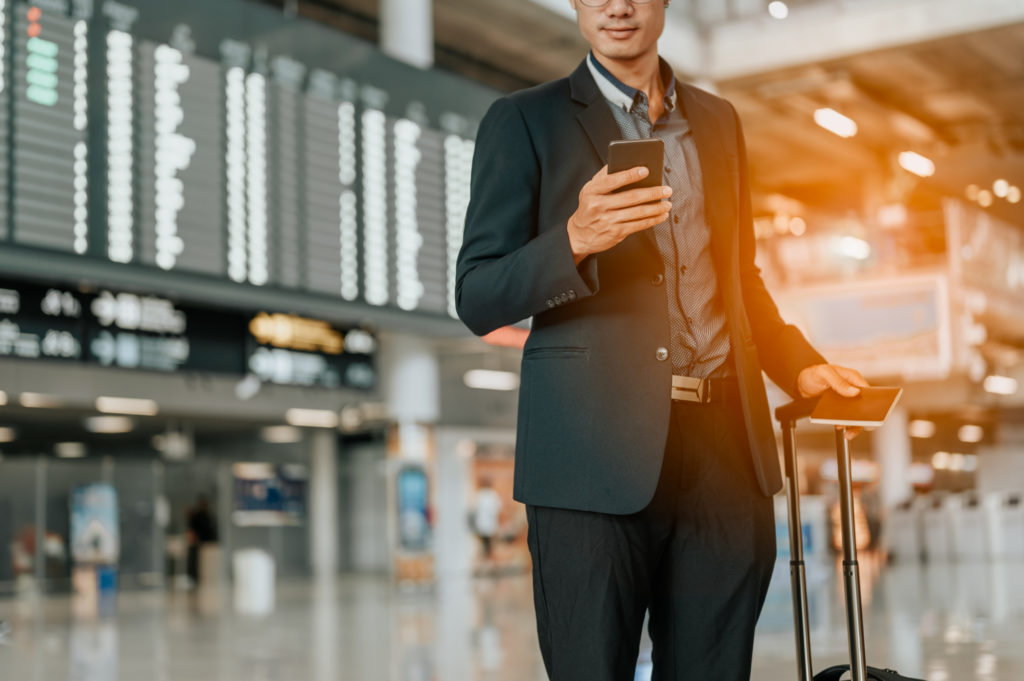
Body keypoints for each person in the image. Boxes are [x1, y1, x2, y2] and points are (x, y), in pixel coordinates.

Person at [454, 1, 869, 679]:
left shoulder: (716, 121)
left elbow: (739, 279)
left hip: (723, 458)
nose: (618, 6)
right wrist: (575, 240)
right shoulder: (526, 120)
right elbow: (476, 293)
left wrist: (799, 368)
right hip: (590, 463)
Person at [472, 477, 503, 573]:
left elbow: (474, 510)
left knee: (483, 546)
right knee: (491, 546)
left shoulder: (478, 495)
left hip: (481, 526)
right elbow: (498, 509)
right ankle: (493, 566)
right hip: (490, 525)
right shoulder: (493, 495)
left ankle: (483, 565)